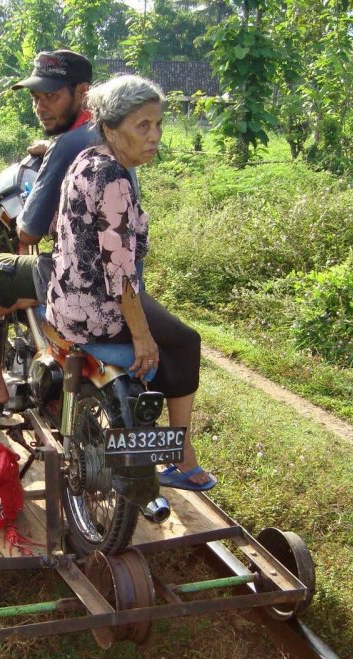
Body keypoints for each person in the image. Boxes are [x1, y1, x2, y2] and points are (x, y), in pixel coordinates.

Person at [45, 75, 216, 491]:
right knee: (185, 342)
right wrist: (142, 338)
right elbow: (120, 276)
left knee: (167, 330)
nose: (155, 136)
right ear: (110, 128)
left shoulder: (86, 159)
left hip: (66, 300)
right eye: (143, 126)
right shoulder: (115, 180)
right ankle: (180, 456)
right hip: (98, 311)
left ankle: (163, 444)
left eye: (158, 124)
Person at [0, 50, 98, 411]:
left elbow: (27, 233)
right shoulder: (110, 133)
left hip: (71, 275)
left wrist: (51, 154)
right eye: (36, 98)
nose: (41, 107)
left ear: (83, 93)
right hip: (115, 276)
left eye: (52, 96)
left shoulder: (66, 145)